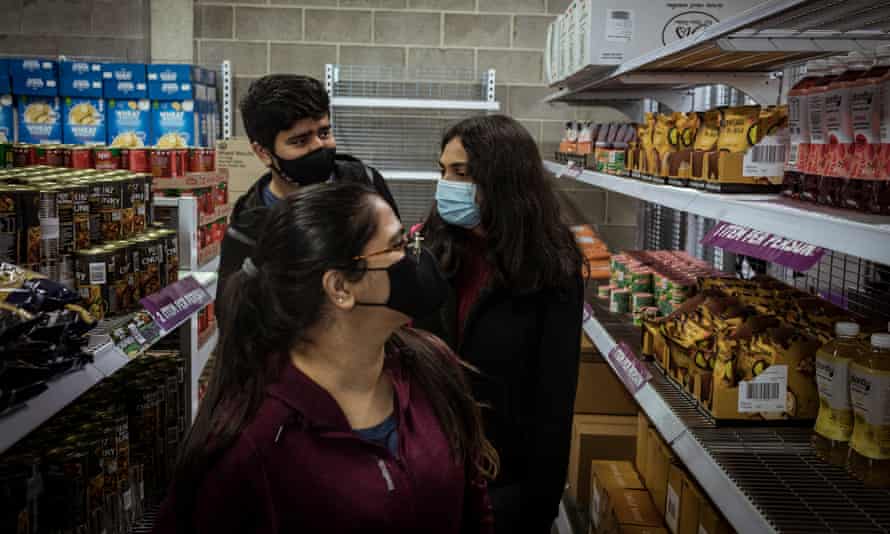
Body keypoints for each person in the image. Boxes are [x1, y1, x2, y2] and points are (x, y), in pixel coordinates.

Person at [155, 182, 497, 533]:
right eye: (398, 245)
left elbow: (475, 508)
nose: (416, 256)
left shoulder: (432, 365)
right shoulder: (252, 444)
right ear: (340, 288)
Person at [415, 115, 585, 534]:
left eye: (461, 172)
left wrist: (537, 505)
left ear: (502, 179)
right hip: (429, 471)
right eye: (443, 171)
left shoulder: (551, 267)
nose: (446, 185)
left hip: (506, 482)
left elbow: (554, 400)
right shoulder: (431, 249)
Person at [216, 74, 399, 315]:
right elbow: (234, 317)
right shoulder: (249, 229)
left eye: (324, 133)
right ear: (263, 153)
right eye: (300, 141)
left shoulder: (366, 183)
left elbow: (399, 264)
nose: (318, 146)